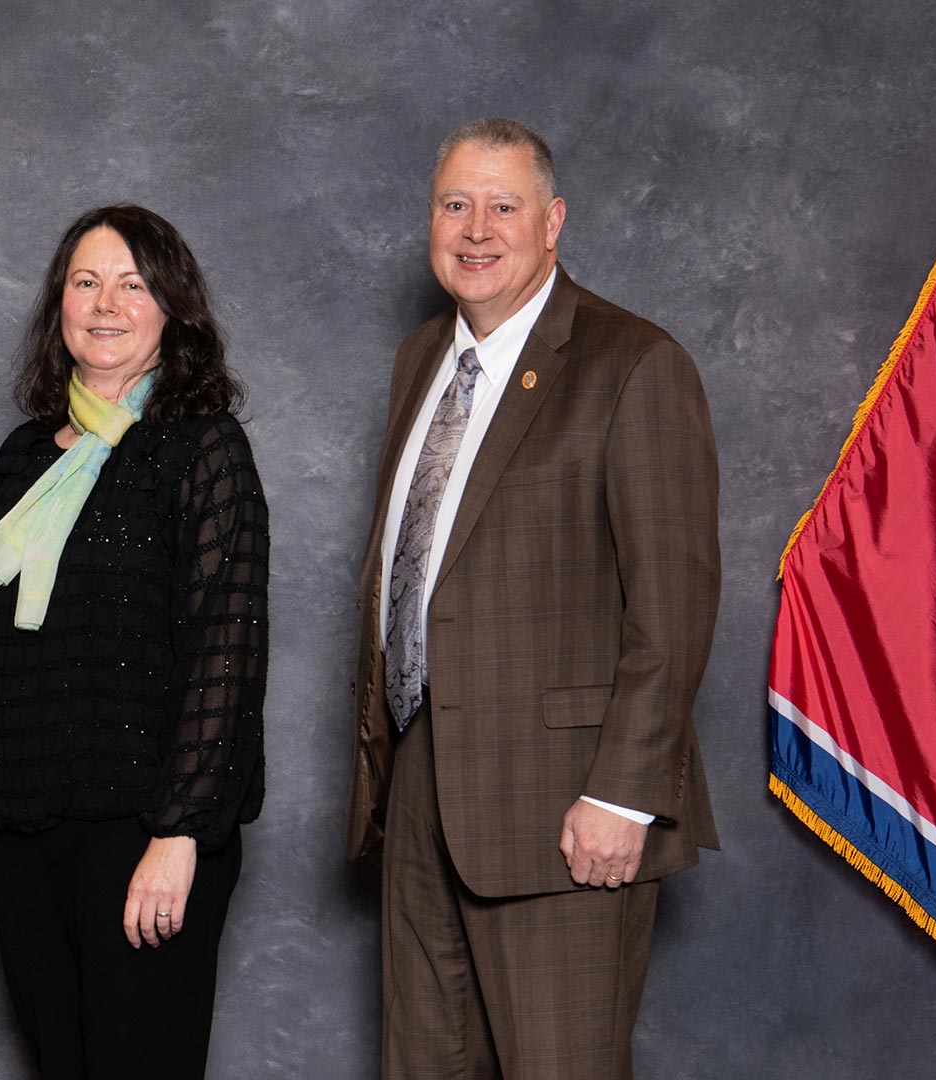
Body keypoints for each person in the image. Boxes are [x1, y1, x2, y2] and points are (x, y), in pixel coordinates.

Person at [346, 117, 721, 1079]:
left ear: (551, 222)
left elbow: (673, 608)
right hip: (421, 782)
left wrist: (623, 795)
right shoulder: (420, 359)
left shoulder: (633, 364)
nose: (477, 229)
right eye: (455, 205)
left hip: (567, 808)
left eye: (503, 206)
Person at [0, 204, 269, 1079]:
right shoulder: (25, 458)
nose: (105, 303)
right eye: (86, 282)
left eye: (133, 285)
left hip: (146, 833)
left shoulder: (203, 451)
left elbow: (227, 650)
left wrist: (179, 837)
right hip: (25, 828)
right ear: (59, 305)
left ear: (172, 308)